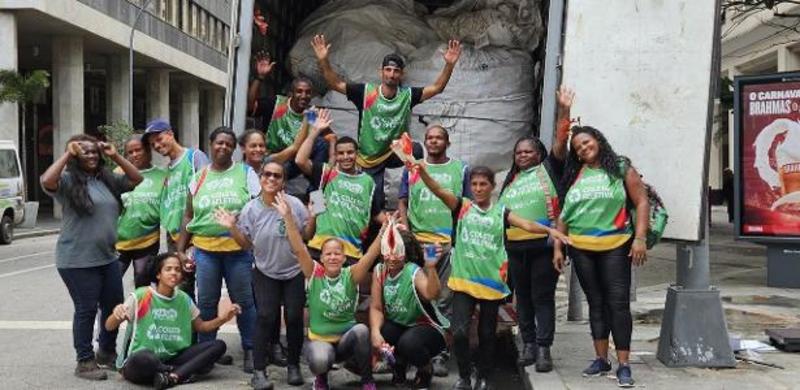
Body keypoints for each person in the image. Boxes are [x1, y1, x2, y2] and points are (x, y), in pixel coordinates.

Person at [413, 163, 569, 390]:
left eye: (483, 184)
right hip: (463, 282)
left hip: (491, 284)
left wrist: (550, 230)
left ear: (492, 187)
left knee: (487, 334)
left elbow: (525, 223)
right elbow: (437, 189)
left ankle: (484, 376)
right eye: (474, 184)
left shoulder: (501, 212)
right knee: (459, 333)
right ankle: (465, 377)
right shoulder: (461, 207)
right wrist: (422, 171)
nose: (478, 188)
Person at [311, 34, 462, 208]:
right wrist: (323, 60)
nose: (391, 74)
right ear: (381, 72)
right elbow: (335, 83)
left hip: (394, 151)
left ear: (401, 74)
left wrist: (449, 64)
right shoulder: (366, 93)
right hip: (370, 157)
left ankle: (410, 197)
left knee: (417, 150)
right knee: (374, 201)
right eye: (388, 70)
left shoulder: (407, 95)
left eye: (396, 71)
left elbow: (437, 88)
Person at [552, 126, 649, 388]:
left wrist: (640, 238)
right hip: (581, 248)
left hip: (616, 246)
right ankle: (601, 359)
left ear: (598, 140)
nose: (584, 148)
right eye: (578, 148)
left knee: (617, 304)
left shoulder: (619, 167)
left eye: (586, 142)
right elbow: (565, 214)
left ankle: (624, 364)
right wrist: (558, 247)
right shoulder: (575, 174)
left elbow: (641, 201)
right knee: (595, 303)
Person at [40, 134, 143, 380]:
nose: (91, 155)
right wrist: (67, 153)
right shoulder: (67, 181)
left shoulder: (106, 180)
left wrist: (114, 154)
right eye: (84, 151)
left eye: (94, 151)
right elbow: (46, 179)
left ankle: (106, 352)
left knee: (113, 305)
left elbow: (136, 178)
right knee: (86, 309)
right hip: (76, 260)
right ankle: (84, 360)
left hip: (107, 257)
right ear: (75, 155)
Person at [215, 161, 313, 388]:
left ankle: (293, 365)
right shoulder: (251, 209)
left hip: (293, 271)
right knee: (266, 317)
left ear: (283, 181)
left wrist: (313, 215)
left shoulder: (295, 205)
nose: (271, 179)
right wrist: (232, 228)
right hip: (265, 271)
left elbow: (307, 235)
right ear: (260, 179)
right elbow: (246, 244)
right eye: (266, 174)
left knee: (294, 317)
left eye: (276, 176)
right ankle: (259, 372)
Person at [272, 192, 384, 390]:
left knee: (361, 330)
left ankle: (367, 380)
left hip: (344, 343)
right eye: (328, 254)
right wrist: (287, 217)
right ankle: (321, 379)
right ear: (322, 258)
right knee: (320, 358)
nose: (333, 257)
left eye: (337, 253)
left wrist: (385, 230)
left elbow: (371, 254)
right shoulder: (314, 273)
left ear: (343, 258)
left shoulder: (351, 275)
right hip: (320, 345)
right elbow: (299, 249)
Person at [498, 86, 573, 371]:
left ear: (539, 153)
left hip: (544, 248)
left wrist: (564, 110)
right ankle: (528, 344)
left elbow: (561, 140)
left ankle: (544, 349)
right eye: (518, 152)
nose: (523, 155)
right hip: (515, 249)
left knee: (543, 298)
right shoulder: (511, 181)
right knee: (524, 299)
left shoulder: (549, 168)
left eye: (529, 151)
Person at [175, 126, 261, 373]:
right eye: (219, 142)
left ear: (234, 149)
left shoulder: (245, 173)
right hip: (205, 250)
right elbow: (188, 215)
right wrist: (181, 250)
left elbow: (256, 208)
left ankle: (251, 350)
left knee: (244, 301)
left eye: (229, 144)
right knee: (207, 302)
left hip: (237, 250)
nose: (223, 147)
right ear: (210, 144)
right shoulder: (198, 177)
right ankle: (206, 353)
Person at [396, 124, 470, 376]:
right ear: (425, 142)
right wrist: (405, 231)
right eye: (430, 138)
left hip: (446, 245)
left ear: (447, 143)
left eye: (439, 138)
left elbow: (466, 207)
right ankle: (409, 354)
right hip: (417, 245)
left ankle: (440, 354)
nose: (434, 141)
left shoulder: (460, 169)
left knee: (445, 302)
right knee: (416, 300)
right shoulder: (413, 168)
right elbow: (403, 201)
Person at [106, 253, 240, 390]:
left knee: (218, 345)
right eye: (168, 269)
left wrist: (223, 318)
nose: (174, 273)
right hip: (141, 362)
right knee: (145, 358)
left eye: (177, 269)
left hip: (173, 357)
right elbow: (109, 326)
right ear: (158, 274)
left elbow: (201, 327)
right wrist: (117, 314)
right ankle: (181, 372)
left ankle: (172, 377)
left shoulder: (184, 299)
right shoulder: (142, 295)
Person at [295, 109, 383, 261]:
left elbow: (375, 213)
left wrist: (392, 222)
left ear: (357, 154)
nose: (346, 157)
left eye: (350, 152)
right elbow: (300, 160)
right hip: (320, 249)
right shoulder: (326, 173)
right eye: (341, 153)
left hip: (351, 253)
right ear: (336, 155)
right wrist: (315, 131)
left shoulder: (368, 182)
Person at [369, 226, 449, 389]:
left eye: (397, 252)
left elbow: (431, 294)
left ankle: (425, 369)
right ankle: (398, 366)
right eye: (388, 251)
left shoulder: (413, 271)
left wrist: (431, 267)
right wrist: (375, 333)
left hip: (427, 328)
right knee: (384, 331)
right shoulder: (380, 271)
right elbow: (376, 307)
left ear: (405, 253)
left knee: (409, 343)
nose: (392, 258)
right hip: (400, 324)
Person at [247, 52, 329, 181]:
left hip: (293, 161)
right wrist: (260, 77)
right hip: (271, 157)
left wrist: (331, 165)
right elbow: (251, 106)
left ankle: (316, 193)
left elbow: (326, 136)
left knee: (321, 144)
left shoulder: (311, 113)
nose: (304, 96)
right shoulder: (277, 104)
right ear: (291, 93)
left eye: (308, 93)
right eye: (299, 91)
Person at [143, 119, 209, 249]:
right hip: (173, 237)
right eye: (152, 144)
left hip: (194, 237)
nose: (156, 145)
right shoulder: (166, 170)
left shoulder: (194, 157)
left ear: (170, 134)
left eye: (159, 139)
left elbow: (207, 192)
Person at [116, 134, 167, 288]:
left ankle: (141, 312)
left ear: (148, 150)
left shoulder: (162, 176)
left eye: (138, 150)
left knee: (142, 284)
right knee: (110, 286)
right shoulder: (117, 173)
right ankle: (108, 313)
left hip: (148, 241)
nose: (134, 155)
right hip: (117, 242)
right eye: (130, 152)